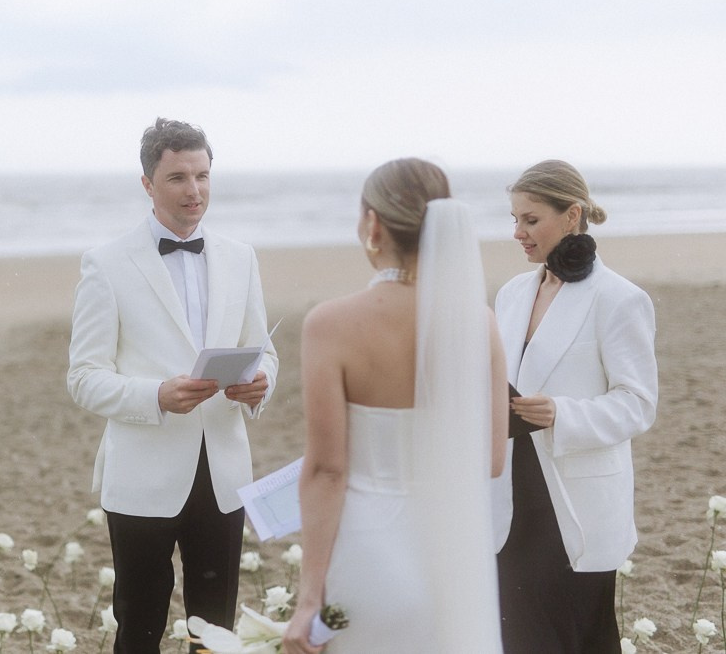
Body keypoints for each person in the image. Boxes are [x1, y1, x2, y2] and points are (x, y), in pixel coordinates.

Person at [67, 117, 278, 653]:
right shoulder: (107, 264)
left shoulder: (240, 256)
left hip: (224, 473)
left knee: (215, 631)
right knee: (137, 627)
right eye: (178, 178)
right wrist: (155, 395)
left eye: (203, 176)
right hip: (142, 474)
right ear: (147, 184)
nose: (195, 191)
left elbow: (265, 349)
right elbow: (84, 378)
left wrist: (260, 383)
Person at [283, 158, 509, 653]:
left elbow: (327, 470)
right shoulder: (480, 322)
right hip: (454, 556)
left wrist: (308, 600)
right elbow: (491, 459)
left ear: (373, 225)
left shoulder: (330, 324)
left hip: (370, 552)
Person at [493, 160, 658, 653]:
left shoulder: (620, 298)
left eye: (530, 219)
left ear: (572, 215)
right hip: (508, 495)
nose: (518, 232)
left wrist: (563, 413)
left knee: (579, 638)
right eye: (515, 219)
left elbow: (638, 404)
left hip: (575, 502)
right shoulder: (510, 294)